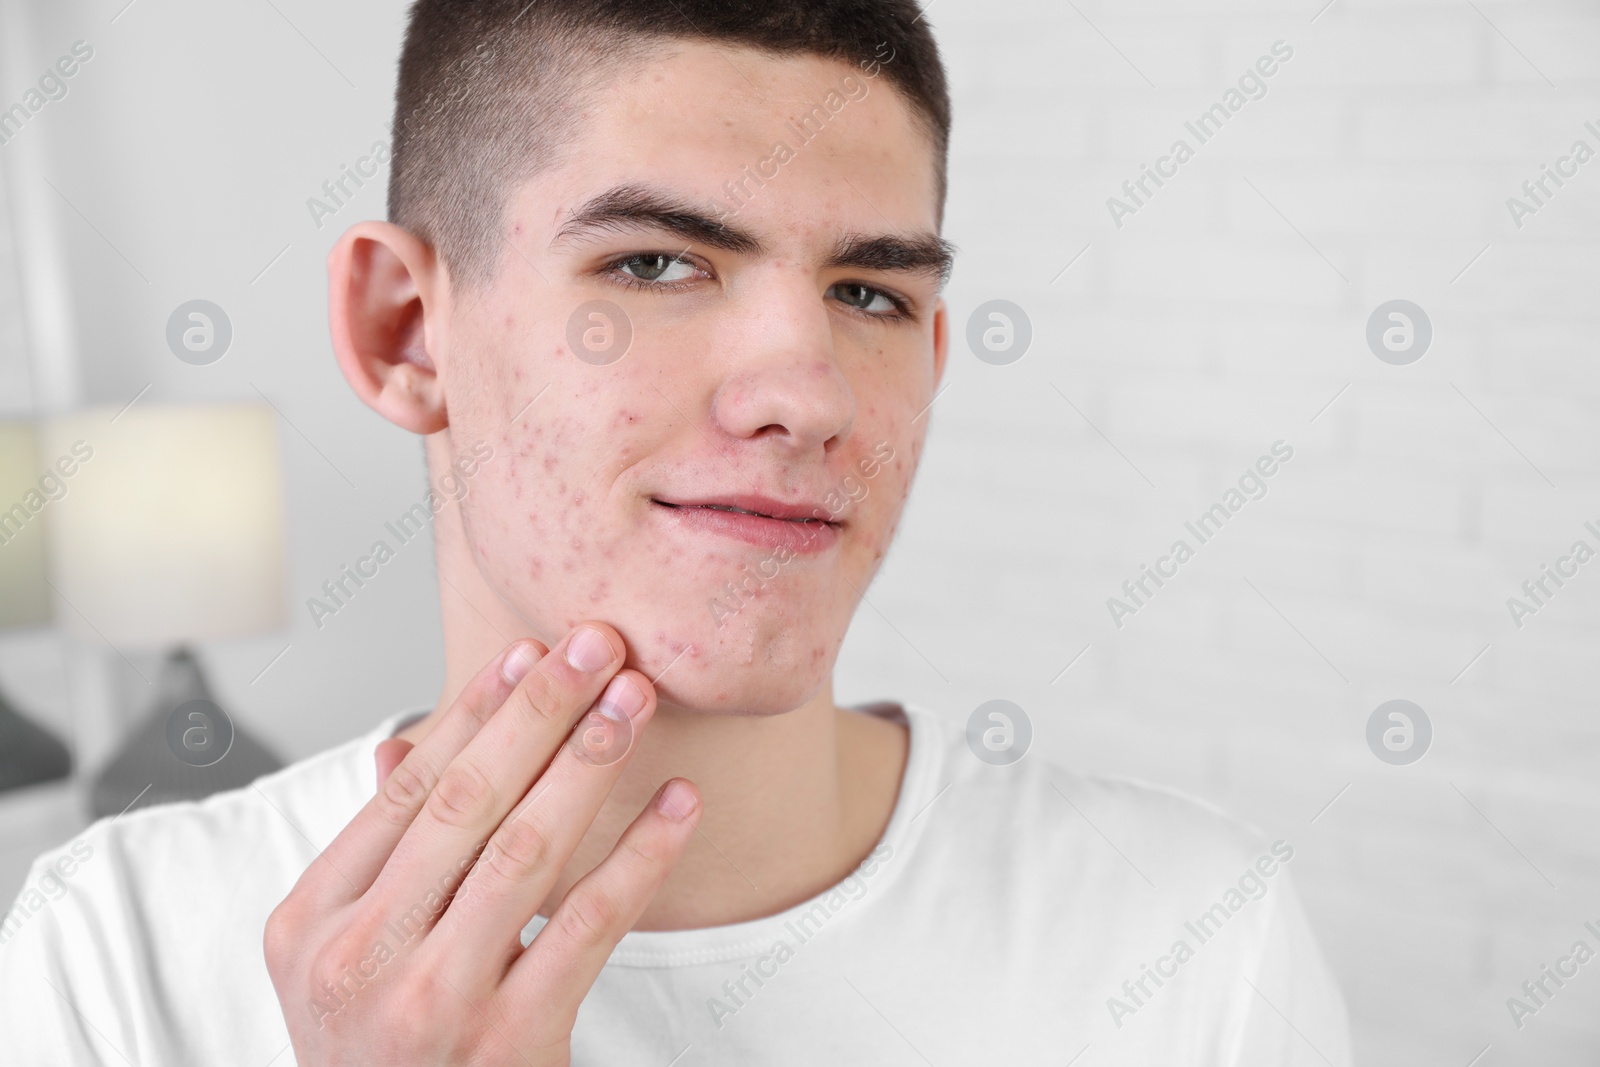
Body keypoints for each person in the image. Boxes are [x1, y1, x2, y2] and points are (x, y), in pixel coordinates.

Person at [0, 1, 1353, 1062]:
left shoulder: (1192, 937)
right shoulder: (116, 948)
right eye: (655, 263)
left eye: (870, 294)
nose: (807, 393)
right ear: (406, 331)